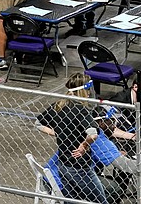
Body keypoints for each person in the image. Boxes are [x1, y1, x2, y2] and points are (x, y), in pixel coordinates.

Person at [36, 73, 107, 204]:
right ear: (83, 90)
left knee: (71, 200)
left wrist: (58, 132)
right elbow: (93, 134)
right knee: (100, 200)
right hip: (80, 166)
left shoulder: (58, 105)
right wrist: (84, 145)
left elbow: (38, 123)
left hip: (63, 163)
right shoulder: (81, 110)